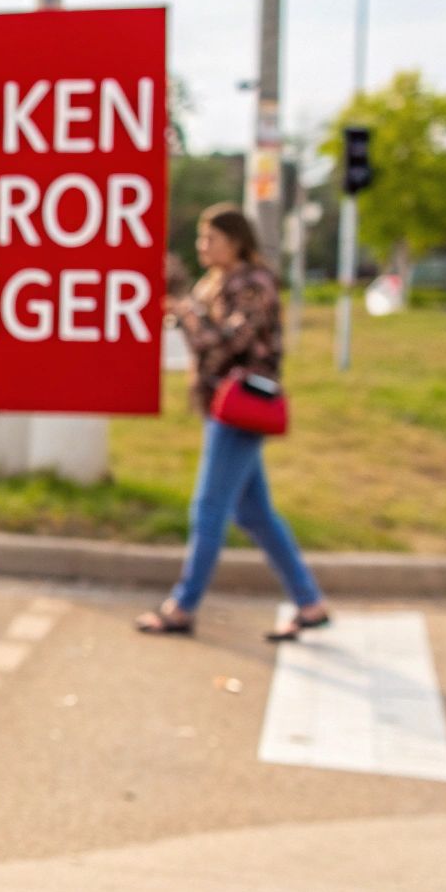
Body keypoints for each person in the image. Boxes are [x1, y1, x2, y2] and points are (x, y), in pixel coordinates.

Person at [136, 205, 327, 641]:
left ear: (236, 241)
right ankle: (308, 601)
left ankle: (182, 607)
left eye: (211, 239)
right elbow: (190, 330)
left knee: (209, 509)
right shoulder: (214, 283)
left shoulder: (253, 283)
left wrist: (186, 308)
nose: (203, 246)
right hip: (220, 407)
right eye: (201, 239)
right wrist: (179, 302)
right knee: (254, 513)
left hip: (240, 408)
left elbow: (222, 343)